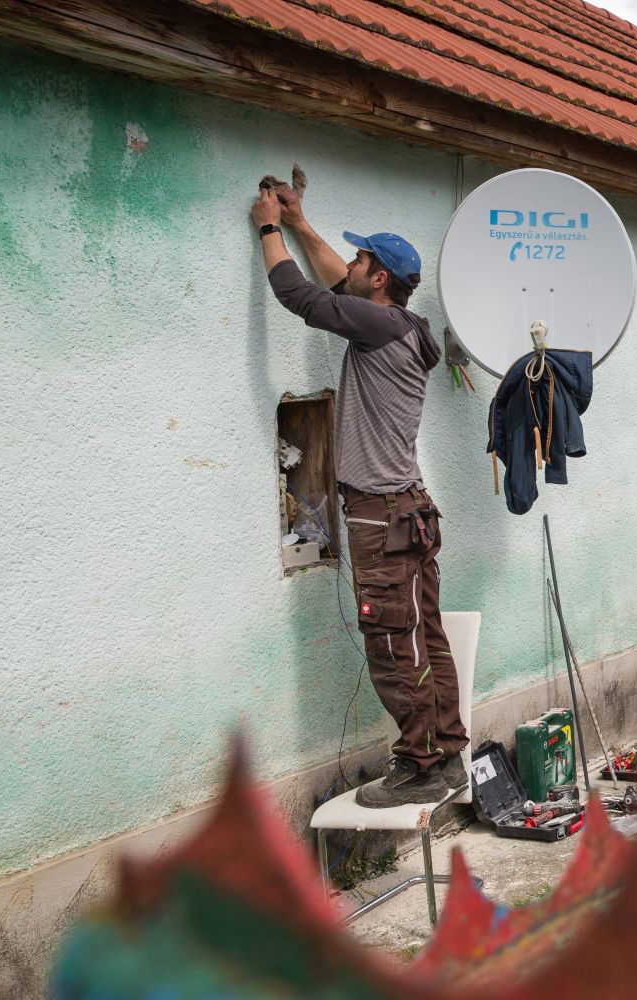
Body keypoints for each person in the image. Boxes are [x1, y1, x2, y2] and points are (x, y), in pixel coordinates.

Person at [251, 182, 467, 807]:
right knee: (426, 636)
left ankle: (421, 764)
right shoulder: (406, 325)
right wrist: (301, 221)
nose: (350, 267)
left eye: (361, 260)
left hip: (379, 514)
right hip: (410, 507)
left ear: (378, 281)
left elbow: (300, 294)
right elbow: (339, 282)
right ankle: (447, 752)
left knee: (393, 643)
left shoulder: (374, 325)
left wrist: (270, 229)